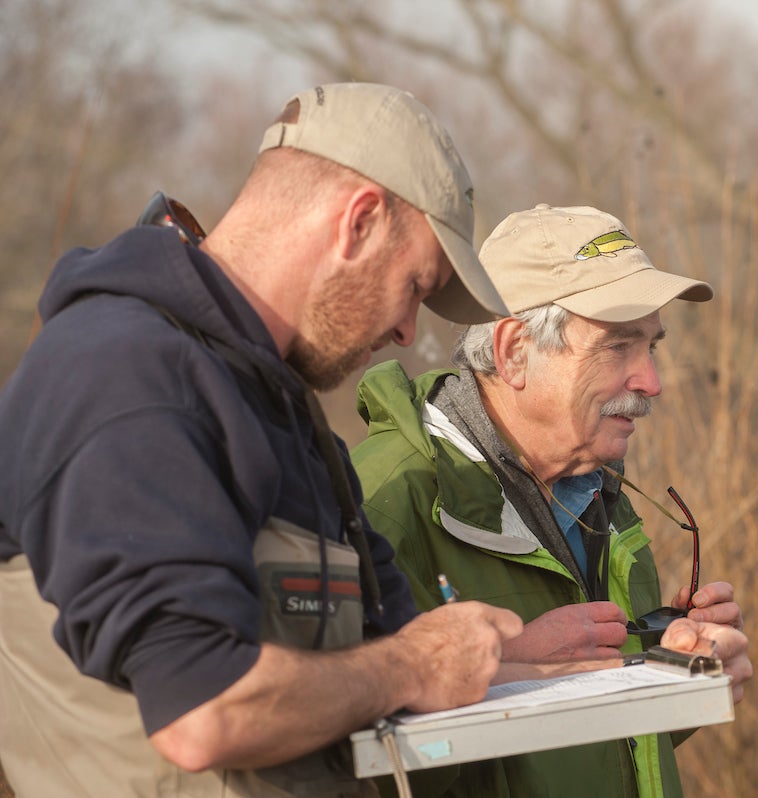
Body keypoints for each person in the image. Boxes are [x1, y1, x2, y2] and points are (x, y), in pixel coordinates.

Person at [0, 82, 526, 797]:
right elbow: (202, 712)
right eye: (415, 285)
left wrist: (564, 654)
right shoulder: (125, 377)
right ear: (359, 222)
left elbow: (386, 652)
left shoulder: (287, 414)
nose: (408, 333)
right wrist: (413, 667)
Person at [352, 203, 753, 797]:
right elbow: (339, 760)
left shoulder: (602, 494)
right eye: (618, 347)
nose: (651, 381)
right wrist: (497, 666)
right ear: (515, 351)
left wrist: (677, 674)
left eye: (652, 347)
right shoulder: (383, 501)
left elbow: (604, 745)